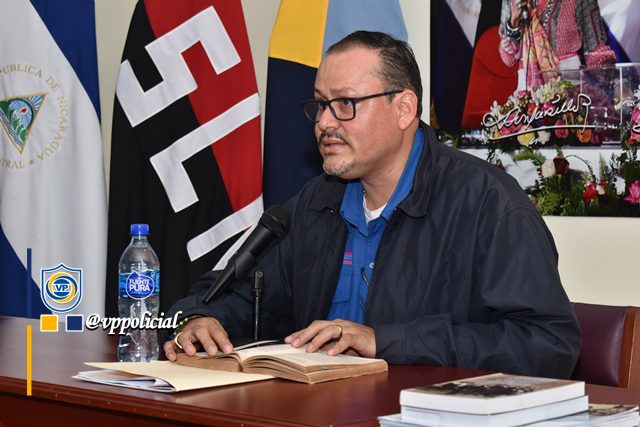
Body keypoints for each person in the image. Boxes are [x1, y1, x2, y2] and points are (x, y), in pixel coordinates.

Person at [164, 31, 580, 378]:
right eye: (320, 104)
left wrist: (385, 341)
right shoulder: (316, 200)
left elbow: (548, 343)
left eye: (345, 104)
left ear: (404, 109)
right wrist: (197, 320)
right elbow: (243, 293)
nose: (324, 122)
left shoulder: (486, 203)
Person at [499, 0, 616, 90]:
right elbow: (508, 59)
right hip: (528, 95)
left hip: (570, 91)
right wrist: (513, 23)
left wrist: (615, 81)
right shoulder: (512, 2)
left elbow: (595, 51)